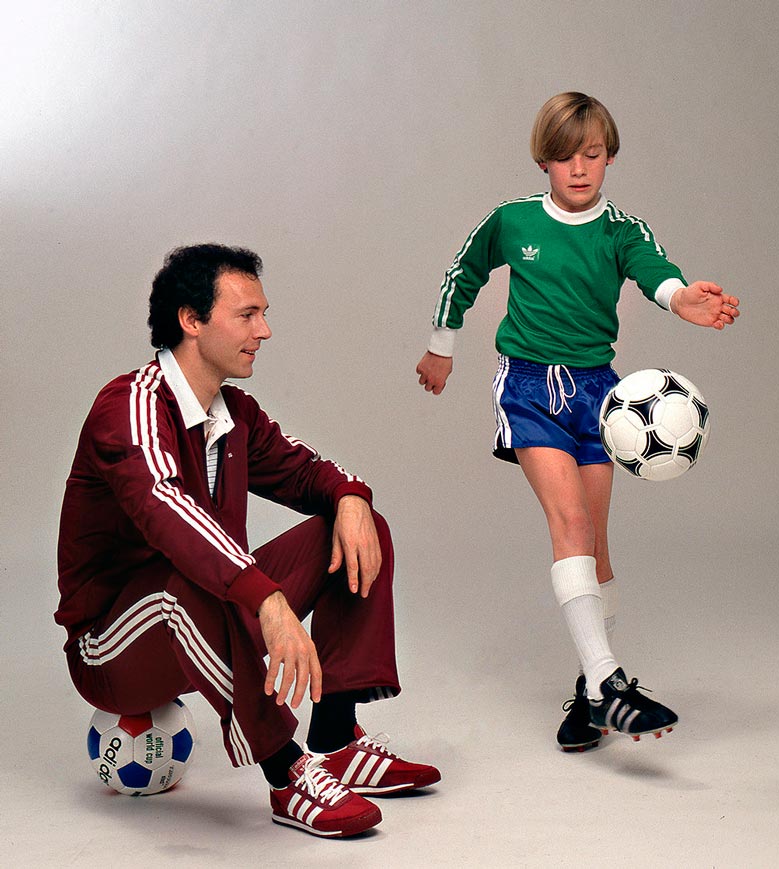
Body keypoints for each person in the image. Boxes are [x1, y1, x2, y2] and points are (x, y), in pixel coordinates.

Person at [56, 243, 439, 838]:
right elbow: (168, 511)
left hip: (208, 626)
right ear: (191, 320)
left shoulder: (235, 414)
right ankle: (287, 775)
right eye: (247, 315)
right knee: (179, 583)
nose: (264, 330)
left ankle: (336, 740)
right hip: (111, 647)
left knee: (358, 530)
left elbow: (305, 470)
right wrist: (267, 598)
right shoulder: (127, 406)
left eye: (263, 314)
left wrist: (351, 497)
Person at [416, 92, 740, 751]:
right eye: (564, 157)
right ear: (544, 161)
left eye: (591, 155)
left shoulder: (622, 230)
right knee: (569, 523)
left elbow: (659, 275)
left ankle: (592, 695)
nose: (579, 169)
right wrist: (440, 348)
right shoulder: (511, 221)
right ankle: (610, 683)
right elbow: (463, 272)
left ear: (610, 157)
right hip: (530, 385)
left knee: (595, 545)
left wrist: (685, 301)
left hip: (602, 394)